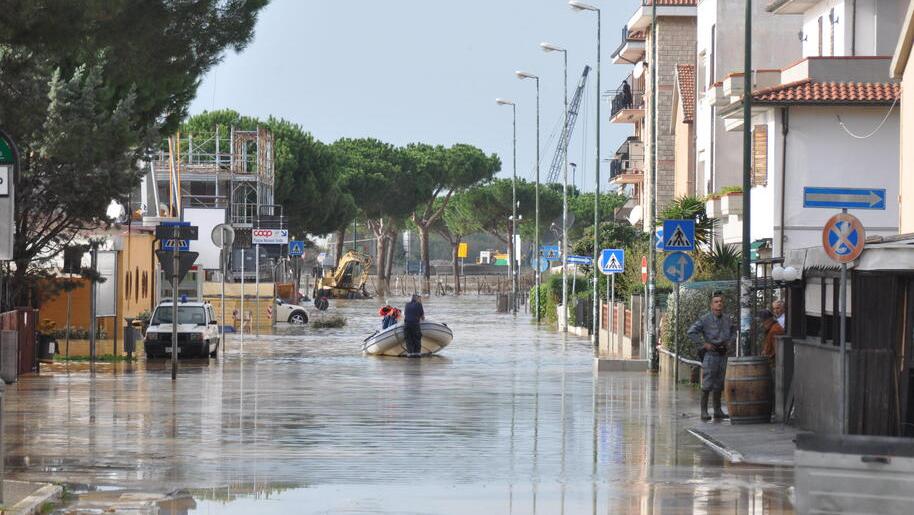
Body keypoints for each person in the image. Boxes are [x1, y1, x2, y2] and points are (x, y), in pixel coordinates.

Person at [687, 292, 736, 421]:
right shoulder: (705, 319)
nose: (719, 303)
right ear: (711, 305)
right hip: (711, 354)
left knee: (719, 383)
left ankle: (717, 410)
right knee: (707, 383)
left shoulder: (727, 319)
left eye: (721, 301)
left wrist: (731, 342)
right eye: (716, 301)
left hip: (723, 354)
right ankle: (704, 411)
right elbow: (691, 332)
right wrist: (703, 344)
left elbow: (733, 332)